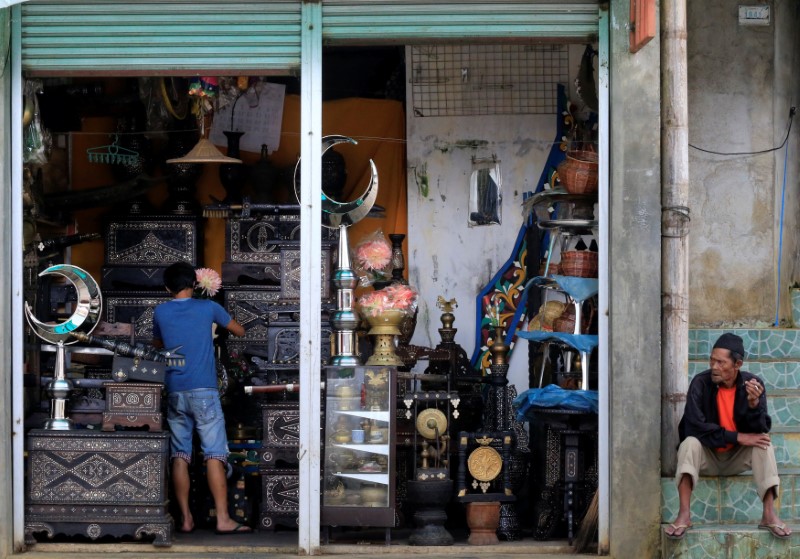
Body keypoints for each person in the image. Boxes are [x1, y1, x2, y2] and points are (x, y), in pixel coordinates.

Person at [152, 261, 252, 535]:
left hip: (175, 391)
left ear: (166, 288)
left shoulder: (160, 311)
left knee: (180, 455)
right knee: (214, 454)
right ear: (194, 284)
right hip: (204, 392)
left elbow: (158, 345)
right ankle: (223, 519)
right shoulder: (209, 307)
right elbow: (239, 330)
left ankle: (184, 519)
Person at [664, 333, 791, 540]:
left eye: (721, 362)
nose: (714, 366)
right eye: (712, 360)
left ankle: (768, 514)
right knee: (688, 443)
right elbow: (694, 427)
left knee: (764, 445)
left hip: (736, 459)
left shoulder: (753, 384)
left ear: (737, 364)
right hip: (707, 455)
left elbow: (760, 429)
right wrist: (738, 437)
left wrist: (753, 405)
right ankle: (684, 514)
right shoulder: (700, 383)